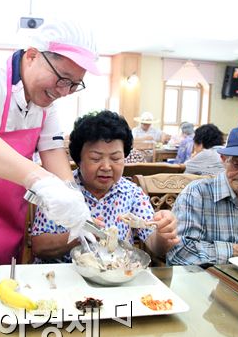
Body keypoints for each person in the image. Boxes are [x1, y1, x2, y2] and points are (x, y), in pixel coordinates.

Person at [0, 20, 100, 274]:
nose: (64, 91)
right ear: (32, 55)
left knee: (7, 290)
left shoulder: (48, 100)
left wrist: (72, 197)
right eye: (62, 79)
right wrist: (42, 181)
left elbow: (52, 149)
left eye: (74, 85)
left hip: (10, 217)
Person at [31, 111, 179, 263]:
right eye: (96, 158)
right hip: (61, 277)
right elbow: (39, 247)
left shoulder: (132, 193)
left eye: (115, 158)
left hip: (115, 278)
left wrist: (163, 234)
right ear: (78, 158)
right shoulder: (59, 189)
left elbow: (156, 246)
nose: (107, 167)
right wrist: (80, 234)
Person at [167, 125, 238, 266]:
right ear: (224, 159)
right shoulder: (196, 194)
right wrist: (234, 251)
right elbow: (179, 253)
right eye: (237, 164)